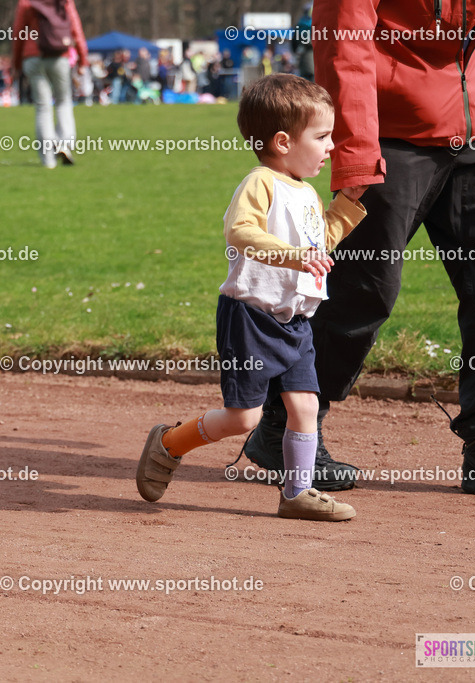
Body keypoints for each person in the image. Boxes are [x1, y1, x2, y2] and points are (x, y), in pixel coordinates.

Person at [241, 0, 475, 495]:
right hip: (389, 132)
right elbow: (344, 38)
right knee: (361, 289)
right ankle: (284, 426)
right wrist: (358, 153)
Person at [136, 74, 366, 521]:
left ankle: (297, 492)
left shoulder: (306, 191)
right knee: (243, 419)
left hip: (295, 321)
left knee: (306, 406)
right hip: (251, 318)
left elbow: (317, 248)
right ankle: (169, 443)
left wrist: (347, 206)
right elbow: (240, 232)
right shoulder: (261, 182)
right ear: (283, 141)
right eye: (321, 136)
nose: (331, 146)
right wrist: (294, 256)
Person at [12, 0, 88, 167]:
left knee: (43, 107)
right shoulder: (65, 2)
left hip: (33, 56)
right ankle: (64, 144)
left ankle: (48, 160)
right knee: (63, 101)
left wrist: (16, 63)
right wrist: (83, 59)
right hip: (59, 54)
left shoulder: (26, 2)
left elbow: (19, 33)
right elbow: (76, 30)